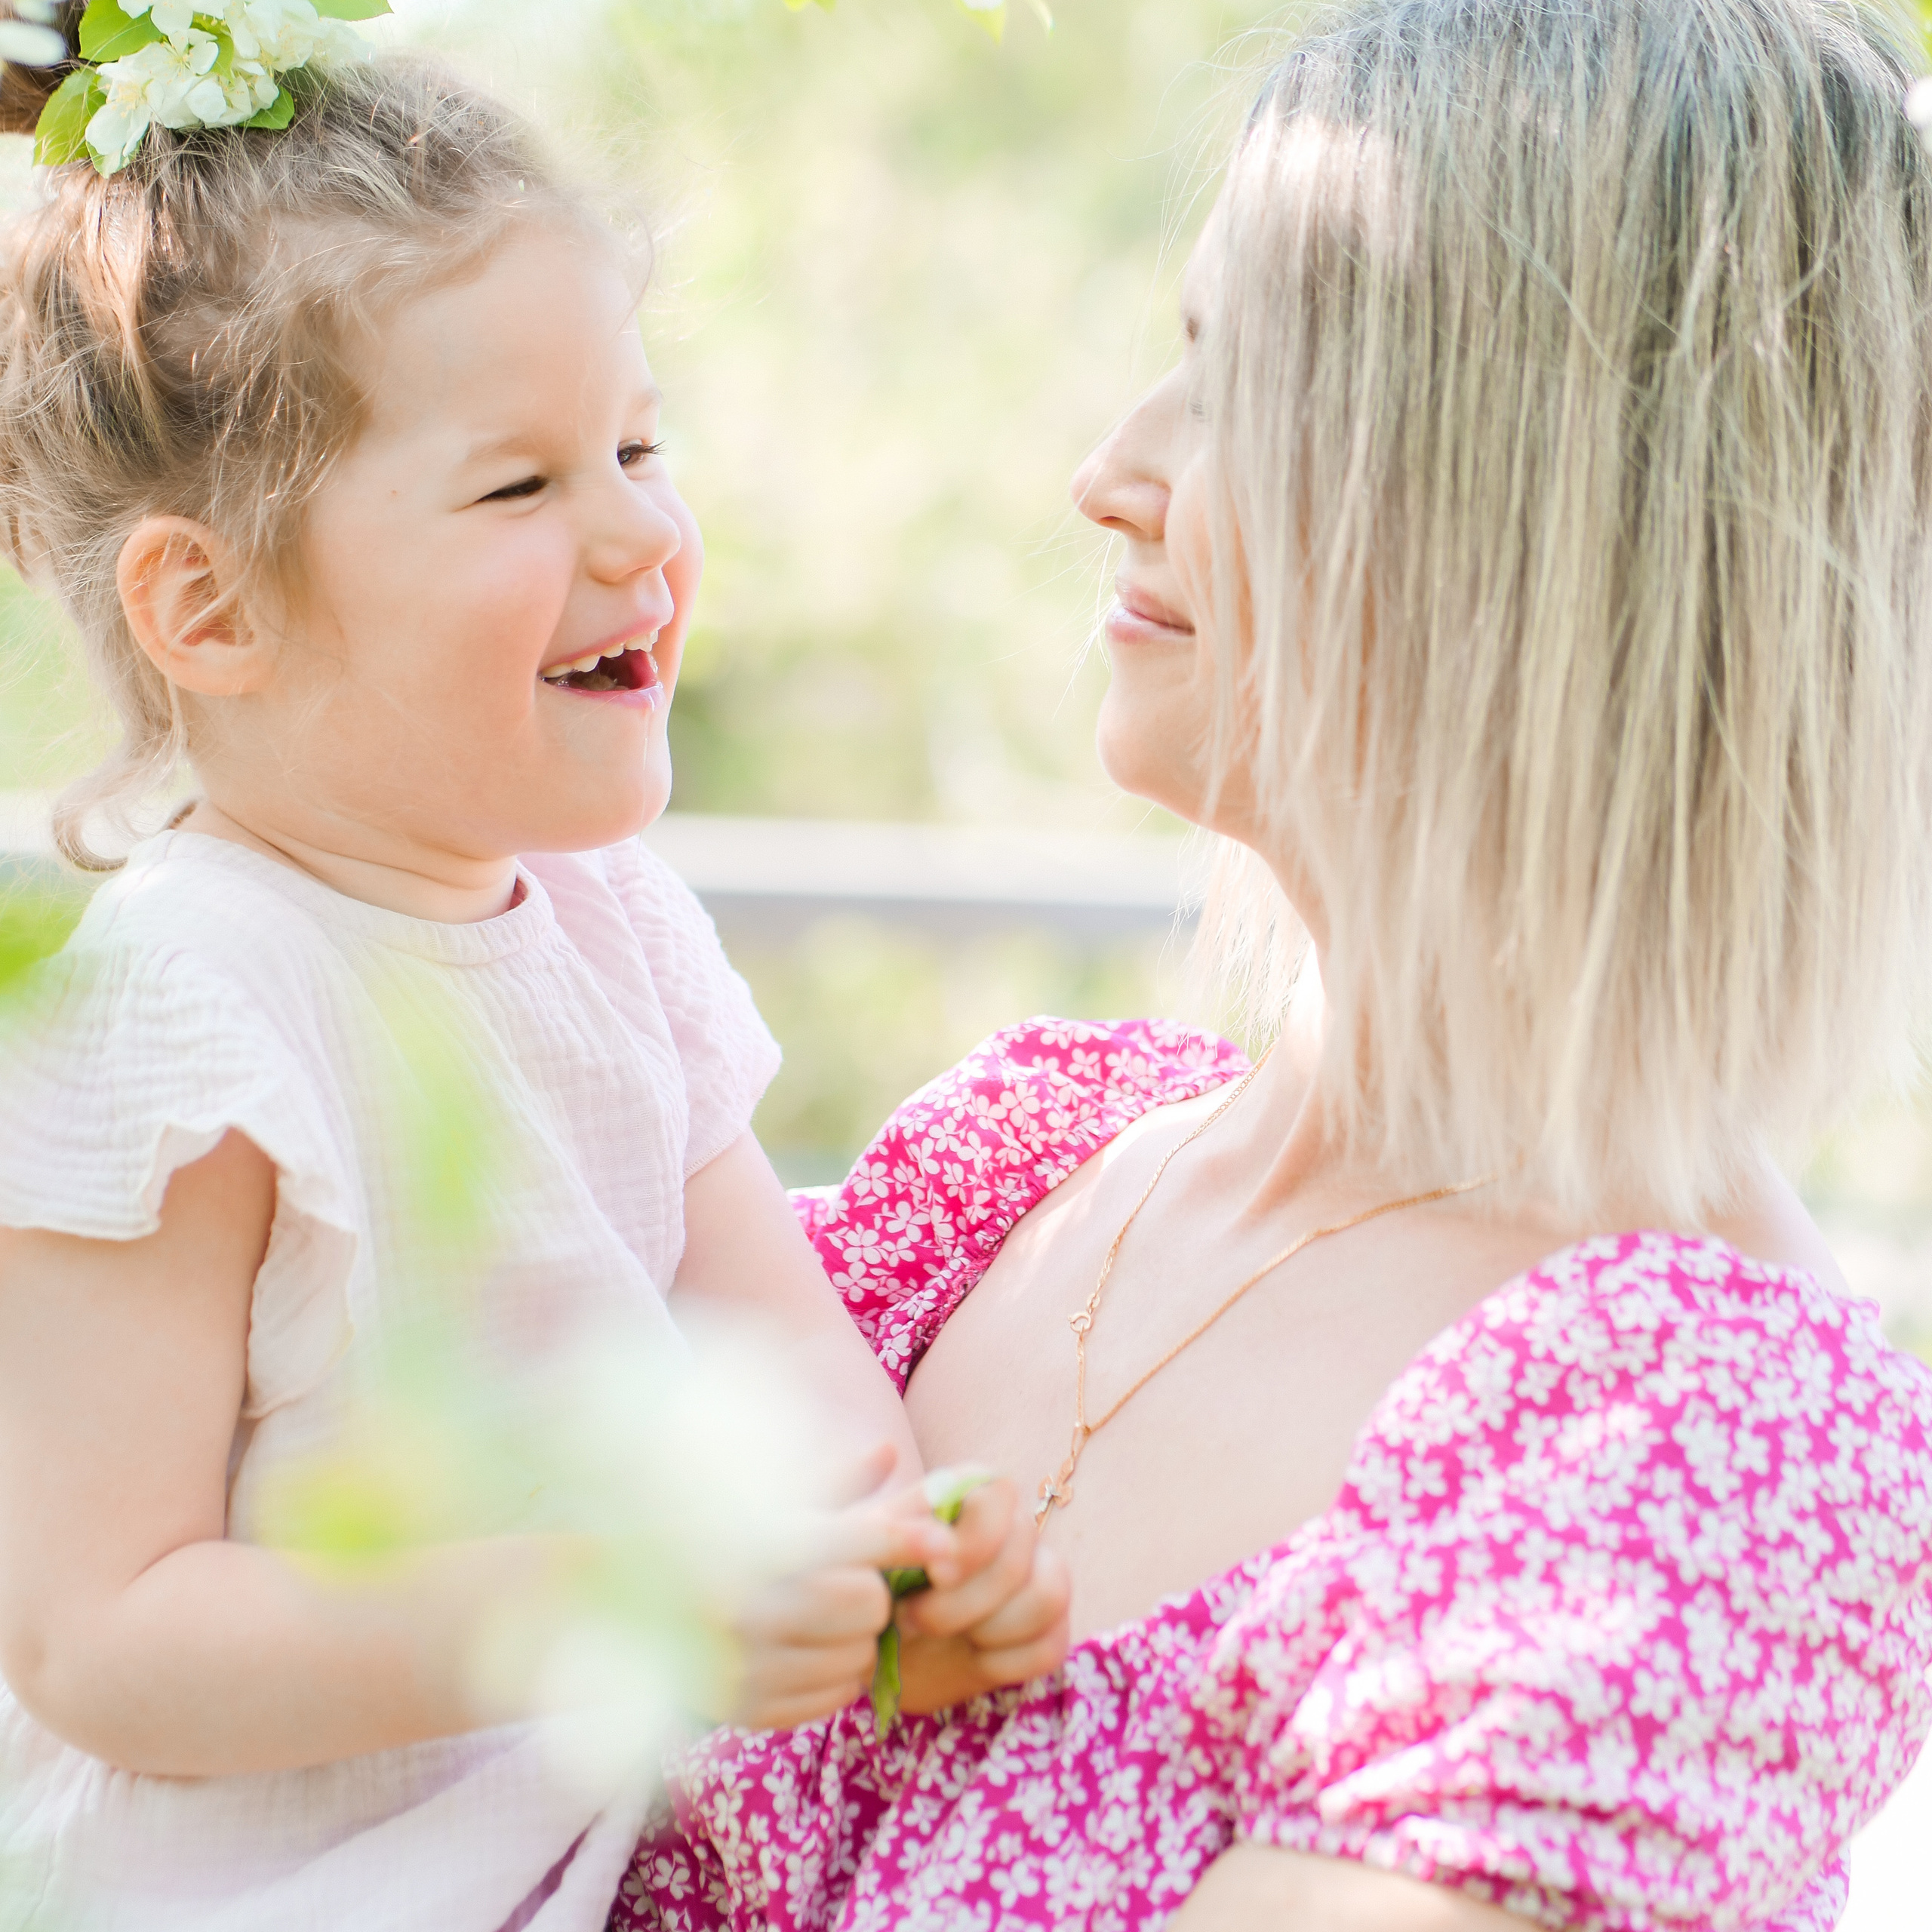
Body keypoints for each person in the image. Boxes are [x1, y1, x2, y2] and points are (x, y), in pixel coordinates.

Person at [614, 0, 1932, 1926]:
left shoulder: (1702, 1454)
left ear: (1527, 517)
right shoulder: (1010, 1165)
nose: (1105, 468)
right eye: (1174, 353)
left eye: (1244, 382)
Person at [0, 26, 1068, 1932]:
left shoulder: (611, 924)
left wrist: (900, 1564)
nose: (646, 532)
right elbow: (102, 1635)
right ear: (212, 607)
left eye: (640, 448)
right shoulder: (186, 994)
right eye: (518, 489)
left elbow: (793, 1383)